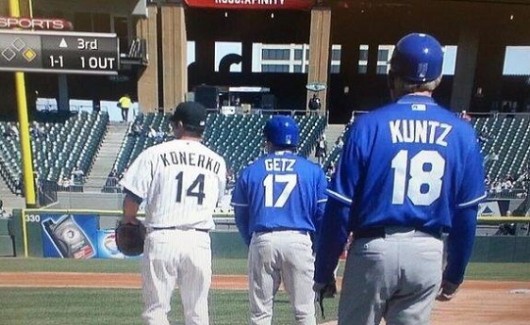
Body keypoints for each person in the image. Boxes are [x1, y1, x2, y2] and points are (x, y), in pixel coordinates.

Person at [314, 33, 486, 325]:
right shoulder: (463, 133)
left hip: (374, 249)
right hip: (427, 251)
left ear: (391, 75)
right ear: (439, 79)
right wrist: (455, 271)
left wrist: (324, 270)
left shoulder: (368, 125)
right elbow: (466, 214)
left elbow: (340, 207)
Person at [118, 101, 227, 325]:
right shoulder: (217, 161)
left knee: (156, 310)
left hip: (163, 236)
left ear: (178, 125)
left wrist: (129, 220)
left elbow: (132, 198)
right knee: (197, 310)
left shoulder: (155, 154)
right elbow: (215, 199)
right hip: (198, 240)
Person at [231, 115, 328, 325]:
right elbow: (322, 214)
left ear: (268, 140)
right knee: (304, 312)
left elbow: (240, 214)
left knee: (261, 314)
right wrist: (316, 246)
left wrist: (252, 241)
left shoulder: (251, 170)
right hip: (299, 239)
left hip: (263, 237)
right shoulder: (313, 171)